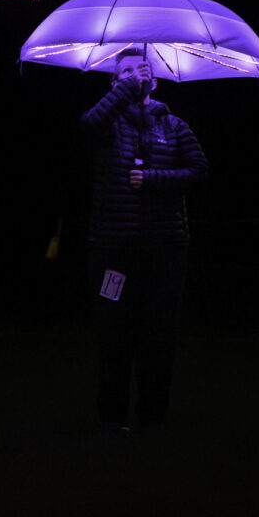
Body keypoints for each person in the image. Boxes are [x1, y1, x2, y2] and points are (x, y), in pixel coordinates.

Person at [80, 48, 207, 434]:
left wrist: (153, 180)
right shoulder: (108, 125)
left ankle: (152, 416)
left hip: (164, 250)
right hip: (114, 249)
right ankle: (112, 417)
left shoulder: (174, 125)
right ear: (115, 82)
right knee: (114, 333)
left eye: (143, 68)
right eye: (128, 71)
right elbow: (87, 126)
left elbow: (199, 171)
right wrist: (125, 90)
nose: (138, 73)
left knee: (159, 335)